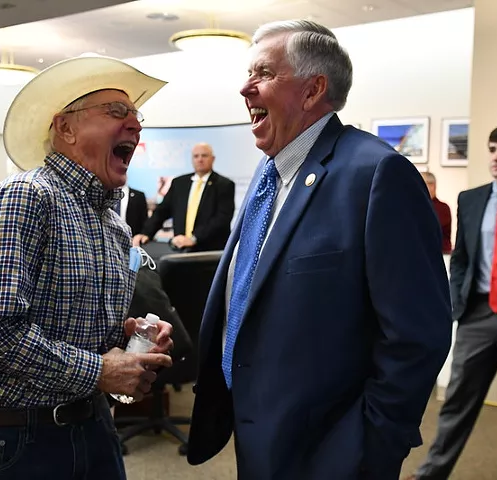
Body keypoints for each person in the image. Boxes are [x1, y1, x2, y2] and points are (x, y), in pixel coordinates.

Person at [186, 20, 452, 479]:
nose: (244, 88)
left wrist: (370, 446)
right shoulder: (268, 177)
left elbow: (417, 335)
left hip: (334, 452)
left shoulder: (377, 175)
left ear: (313, 90)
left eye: (263, 73)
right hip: (258, 437)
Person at [0, 56, 174, 479]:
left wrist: (130, 339)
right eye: (116, 111)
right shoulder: (24, 198)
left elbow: (80, 330)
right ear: (65, 128)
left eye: (136, 115)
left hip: (94, 429)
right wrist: (101, 370)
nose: (135, 124)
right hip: (16, 444)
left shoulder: (113, 224)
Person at [407, 124, 497, 480]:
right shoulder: (471, 198)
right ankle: (430, 475)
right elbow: (462, 258)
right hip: (477, 314)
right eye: (492, 148)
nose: (496, 156)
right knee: (456, 402)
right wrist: (456, 306)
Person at [133, 143, 235, 252]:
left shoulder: (224, 185)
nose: (200, 159)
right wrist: (146, 233)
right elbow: (162, 211)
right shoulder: (179, 183)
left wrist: (194, 238)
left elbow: (222, 218)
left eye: (204, 155)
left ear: (213, 159)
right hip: (181, 250)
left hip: (211, 251)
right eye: (196, 156)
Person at [421, 171, 453, 254]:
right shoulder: (416, 205)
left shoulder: (443, 207)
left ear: (432, 186)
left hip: (440, 254)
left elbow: (427, 230)